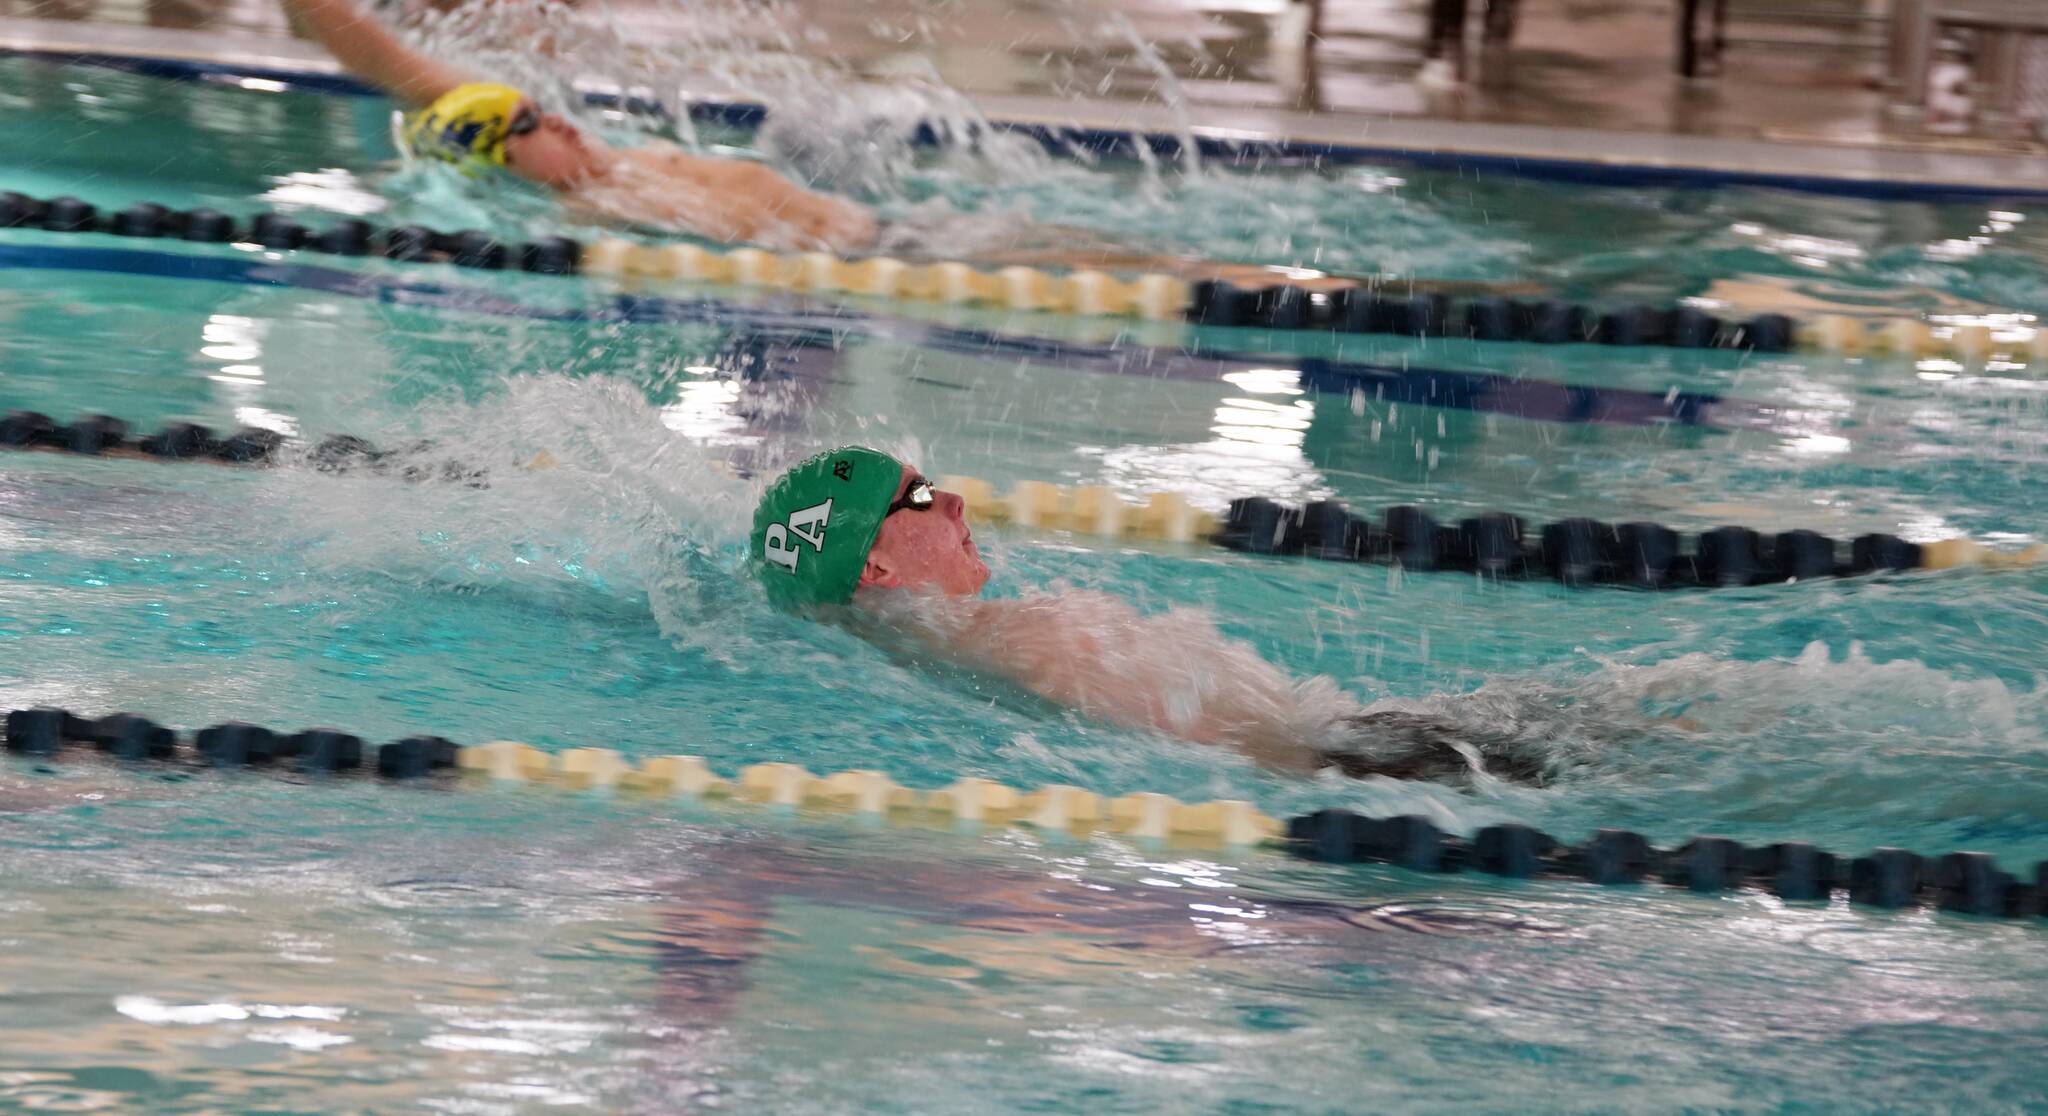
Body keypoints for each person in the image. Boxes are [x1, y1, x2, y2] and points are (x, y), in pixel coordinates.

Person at [750, 446, 1550, 784]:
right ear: (876, 566)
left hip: (1379, 745)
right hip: (1390, 763)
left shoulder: (936, 669)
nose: (954, 499)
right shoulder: (1031, 643)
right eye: (918, 497)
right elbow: (1277, 753)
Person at [279, 0, 879, 252]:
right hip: (869, 250)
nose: (558, 122)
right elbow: (383, 61)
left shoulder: (602, 160)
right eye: (531, 125)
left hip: (880, 233)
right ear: (500, 161)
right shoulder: (597, 202)